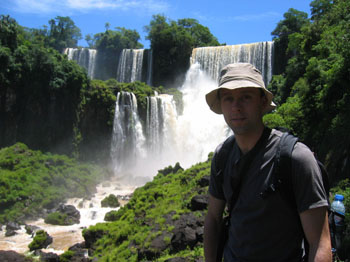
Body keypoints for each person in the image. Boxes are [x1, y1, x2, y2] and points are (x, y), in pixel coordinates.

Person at [203, 63, 332, 262]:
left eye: (246, 97)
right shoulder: (222, 155)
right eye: (228, 98)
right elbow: (213, 218)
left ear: (263, 102)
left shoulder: (296, 158)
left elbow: (320, 244)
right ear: (221, 105)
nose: (236, 106)